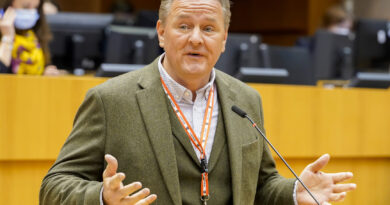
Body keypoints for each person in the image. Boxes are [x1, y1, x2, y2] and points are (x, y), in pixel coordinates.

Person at [40, 0, 356, 204]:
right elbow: (54, 186)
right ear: (161, 33)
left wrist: (294, 192)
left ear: (224, 39)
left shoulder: (246, 100)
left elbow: (260, 184)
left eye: (208, 28)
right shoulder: (110, 100)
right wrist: (101, 196)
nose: (195, 39)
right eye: (183, 26)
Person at [0, 0, 61, 75]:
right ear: (7, 6)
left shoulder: (36, 37)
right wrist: (7, 37)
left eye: (35, 8)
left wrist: (46, 72)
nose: (31, 12)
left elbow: (45, 65)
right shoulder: (5, 36)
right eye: (25, 7)